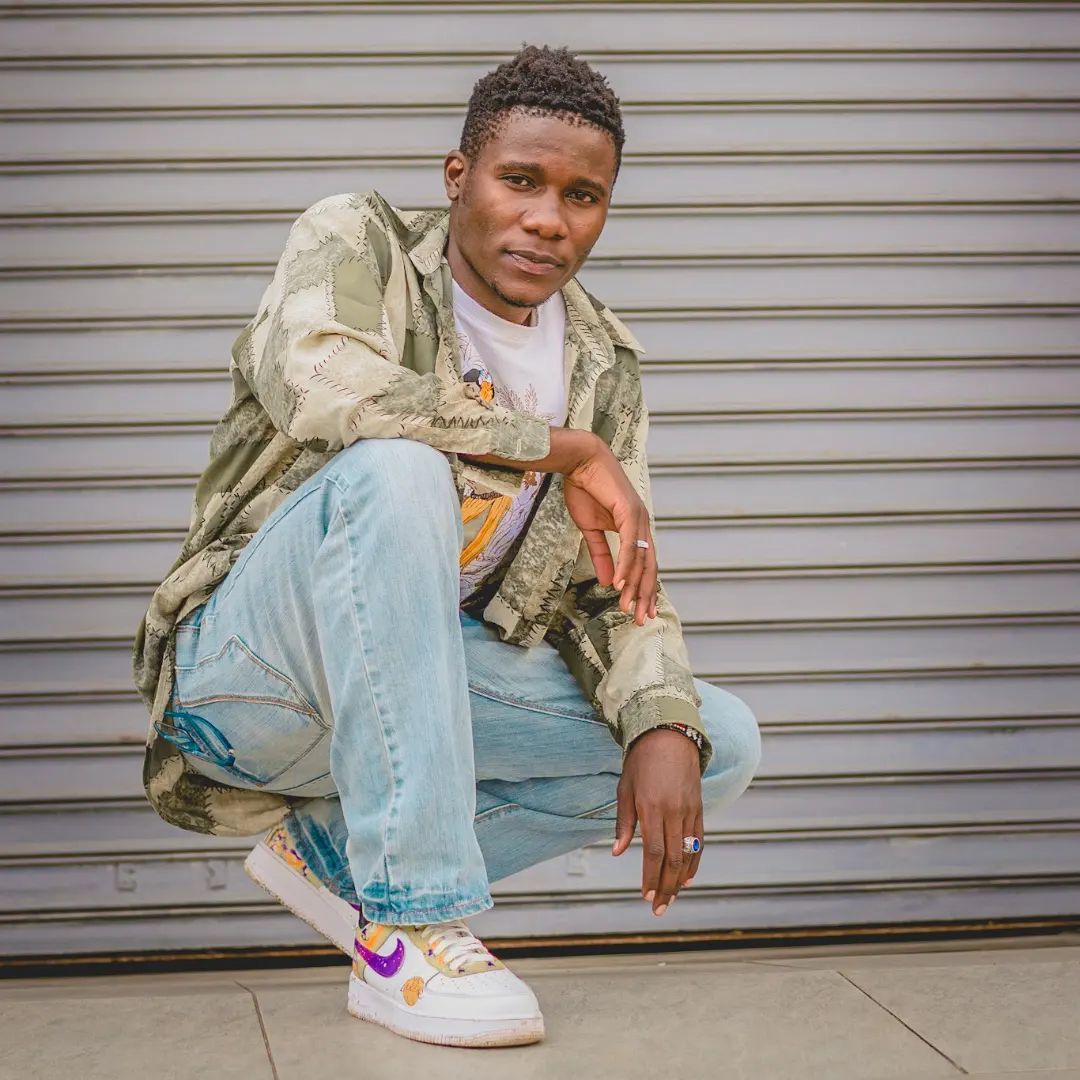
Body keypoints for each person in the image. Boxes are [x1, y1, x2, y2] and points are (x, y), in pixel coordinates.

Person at [132, 43, 761, 1049]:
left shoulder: (600, 361)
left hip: (410, 692)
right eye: (521, 180)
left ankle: (336, 867)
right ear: (458, 176)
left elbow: (610, 582)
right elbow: (318, 379)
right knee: (397, 470)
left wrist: (659, 718)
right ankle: (413, 924)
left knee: (712, 736)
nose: (549, 218)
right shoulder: (359, 241)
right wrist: (555, 447)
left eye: (583, 196)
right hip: (251, 677)